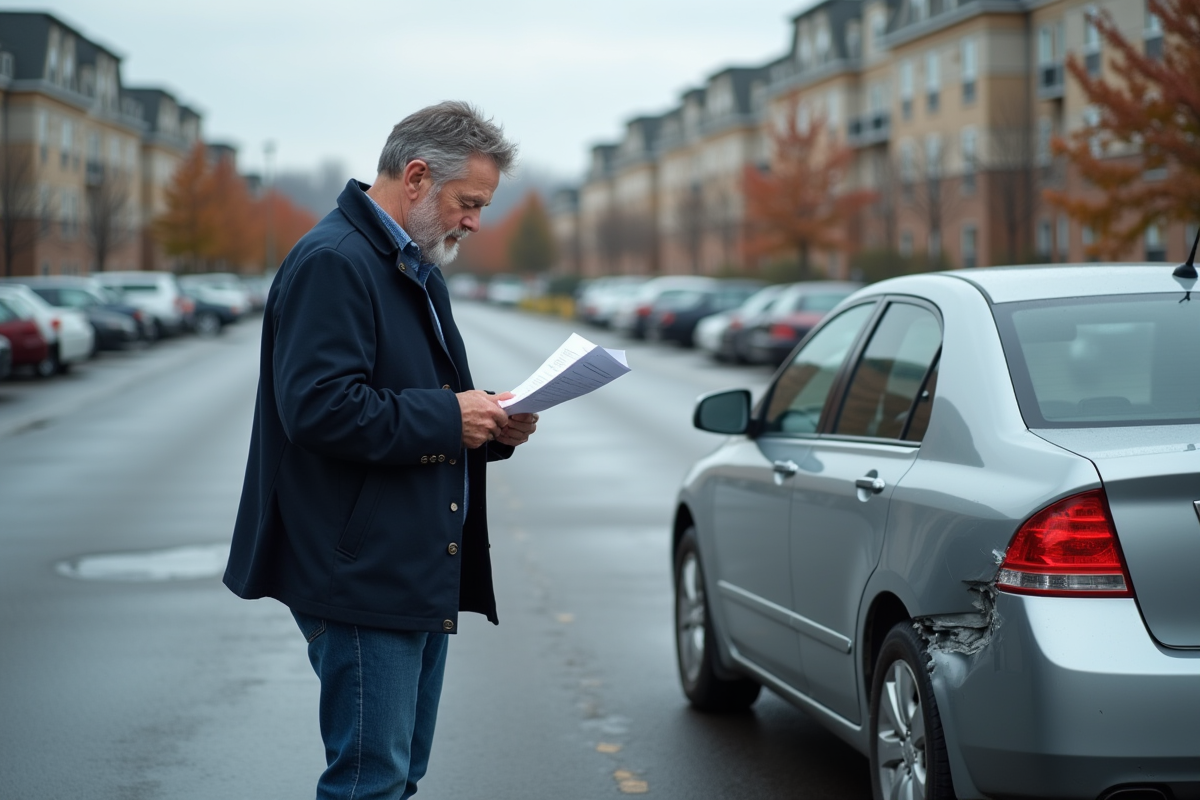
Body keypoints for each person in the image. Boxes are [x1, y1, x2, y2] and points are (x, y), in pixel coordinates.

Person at [223, 101, 537, 799]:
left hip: (408, 565)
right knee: (371, 782)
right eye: (468, 203)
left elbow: (415, 397)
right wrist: (450, 417)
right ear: (417, 177)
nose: (474, 223)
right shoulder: (335, 261)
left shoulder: (410, 263)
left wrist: (488, 424)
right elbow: (319, 409)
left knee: (397, 777)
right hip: (361, 573)